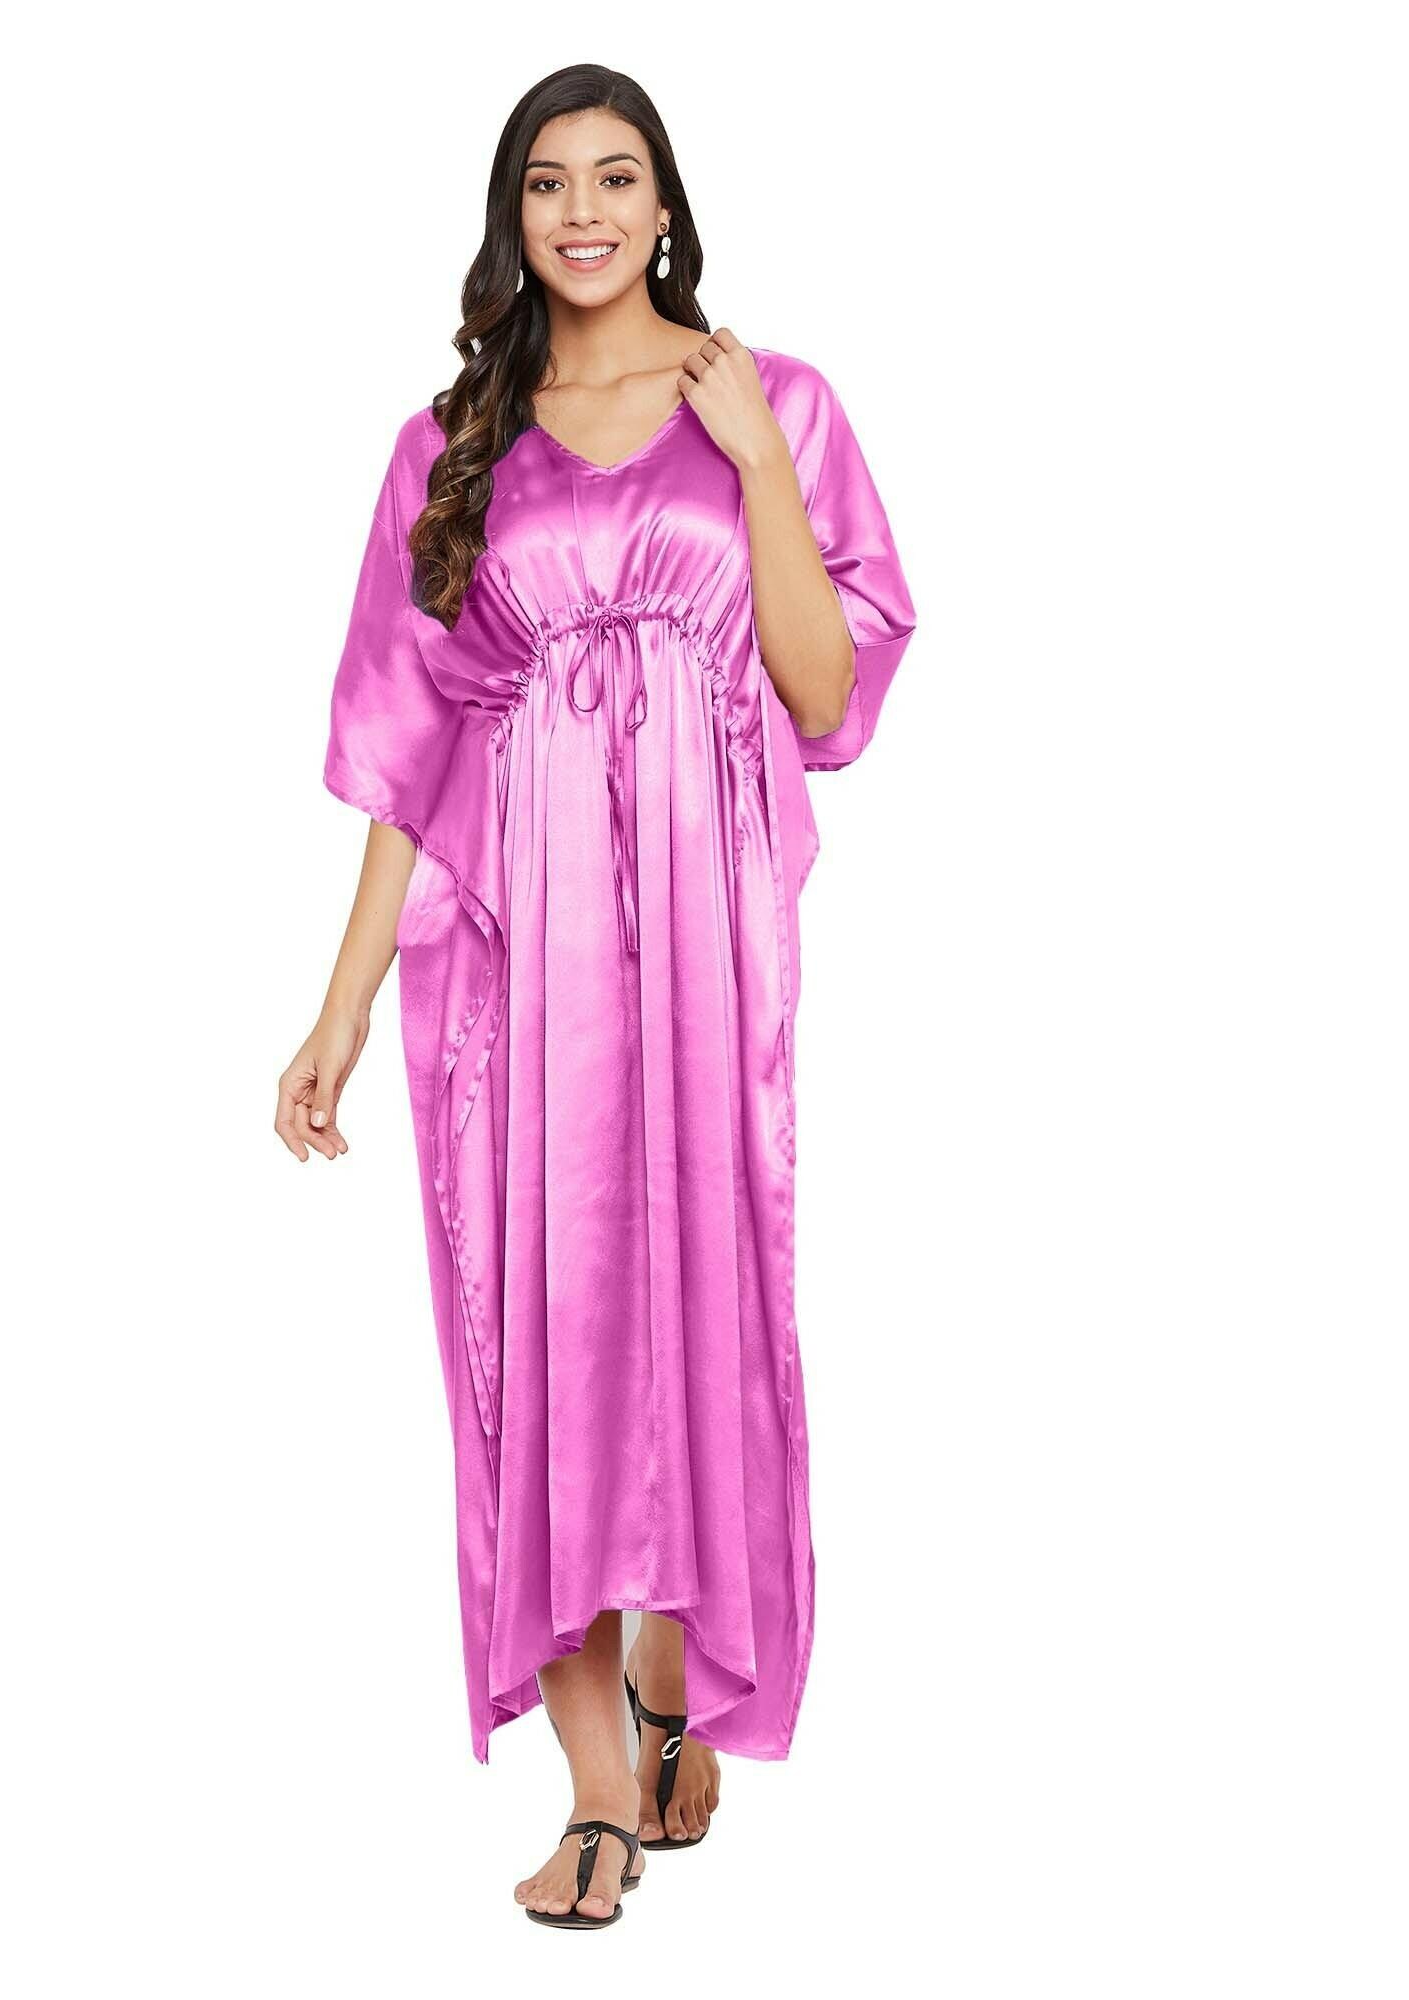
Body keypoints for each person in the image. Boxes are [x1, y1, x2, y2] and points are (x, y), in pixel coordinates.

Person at [276, 62, 917, 1930]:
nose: (583, 212)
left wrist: (765, 467)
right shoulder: (451, 444)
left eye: (616, 178)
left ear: (665, 204)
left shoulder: (775, 402)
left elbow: (823, 697)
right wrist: (337, 1006)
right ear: (514, 217)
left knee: (702, 1300)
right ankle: (598, 1793)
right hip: (515, 949)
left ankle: (677, 1675)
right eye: (547, 183)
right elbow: (408, 753)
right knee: (540, 1317)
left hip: (708, 939)